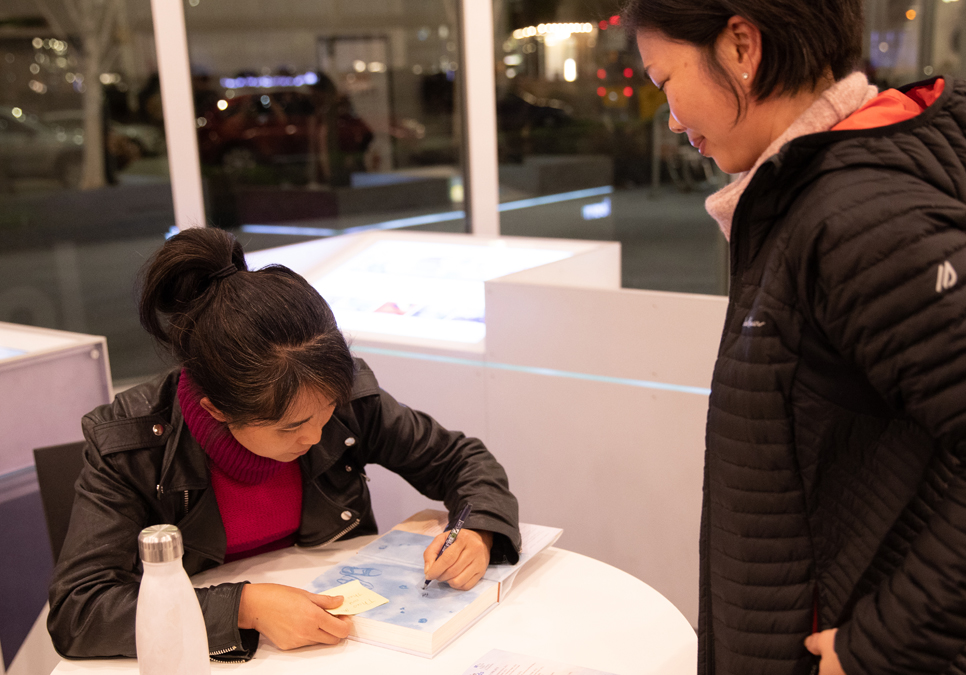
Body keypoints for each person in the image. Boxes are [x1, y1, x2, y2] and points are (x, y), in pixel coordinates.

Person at [625, 1, 966, 674]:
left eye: (665, 82)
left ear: (743, 49)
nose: (671, 118)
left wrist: (881, 643)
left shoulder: (856, 218)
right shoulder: (807, 195)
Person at [47, 227, 521, 662]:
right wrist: (244, 606)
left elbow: (460, 460)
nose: (315, 436)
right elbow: (79, 609)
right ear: (215, 409)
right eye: (290, 427)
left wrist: (477, 530)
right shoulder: (130, 442)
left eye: (327, 411)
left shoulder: (348, 400)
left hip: (348, 647)